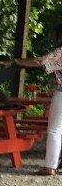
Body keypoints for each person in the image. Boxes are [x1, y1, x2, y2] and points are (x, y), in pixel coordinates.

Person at [4, 23, 62, 175]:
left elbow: (38, 62)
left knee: (55, 130)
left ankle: (50, 166)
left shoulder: (60, 52)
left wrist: (15, 62)